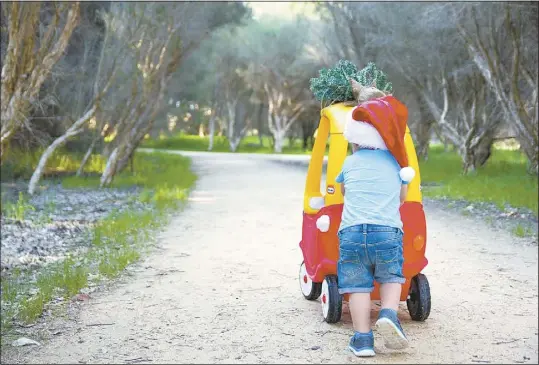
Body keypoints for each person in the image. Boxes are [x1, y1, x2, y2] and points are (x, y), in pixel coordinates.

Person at [335, 90, 415, 357]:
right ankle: (390, 314)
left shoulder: (349, 163)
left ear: (356, 139)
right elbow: (402, 197)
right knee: (391, 275)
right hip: (387, 232)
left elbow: (345, 191)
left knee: (357, 285)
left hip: (352, 233)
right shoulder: (395, 163)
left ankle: (363, 339)